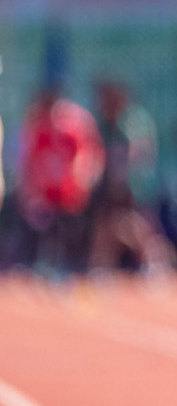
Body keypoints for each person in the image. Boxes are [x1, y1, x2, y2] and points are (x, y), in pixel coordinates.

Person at [88, 81, 175, 275]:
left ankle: (156, 261)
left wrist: (125, 179)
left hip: (135, 186)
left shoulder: (133, 120)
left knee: (137, 224)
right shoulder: (107, 122)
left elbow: (139, 154)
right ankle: (101, 266)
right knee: (105, 224)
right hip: (113, 184)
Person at [18, 86, 104, 274]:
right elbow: (32, 162)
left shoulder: (71, 130)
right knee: (46, 231)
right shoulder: (40, 131)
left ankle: (74, 266)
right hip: (48, 192)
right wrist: (32, 190)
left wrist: (81, 180)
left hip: (69, 190)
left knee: (72, 230)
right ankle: (46, 266)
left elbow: (86, 156)